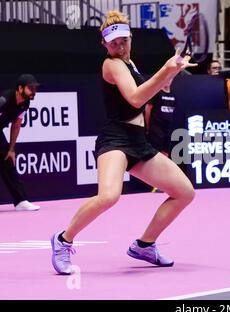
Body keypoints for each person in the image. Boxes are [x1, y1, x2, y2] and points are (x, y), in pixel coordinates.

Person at [50, 10, 196, 275]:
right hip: (116, 139)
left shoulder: (130, 64)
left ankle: (144, 245)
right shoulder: (112, 64)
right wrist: (165, 68)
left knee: (184, 192)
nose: (119, 47)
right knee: (109, 196)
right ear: (104, 44)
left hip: (139, 142)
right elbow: (136, 98)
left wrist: (170, 73)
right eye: (113, 43)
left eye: (123, 41)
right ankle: (63, 240)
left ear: (130, 39)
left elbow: (151, 92)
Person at [0, 74, 41, 211]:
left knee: (7, 161)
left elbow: (16, 125)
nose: (34, 92)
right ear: (20, 88)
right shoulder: (3, 101)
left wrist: (11, 149)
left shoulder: (25, 103)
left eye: (35, 88)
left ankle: (20, 201)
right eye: (31, 88)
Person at [144, 78, 176, 157]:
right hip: (156, 130)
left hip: (168, 130)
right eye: (166, 79)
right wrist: (147, 126)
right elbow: (148, 109)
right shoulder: (156, 93)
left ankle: (164, 168)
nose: (168, 81)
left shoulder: (173, 95)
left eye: (170, 79)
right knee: (155, 153)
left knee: (166, 152)